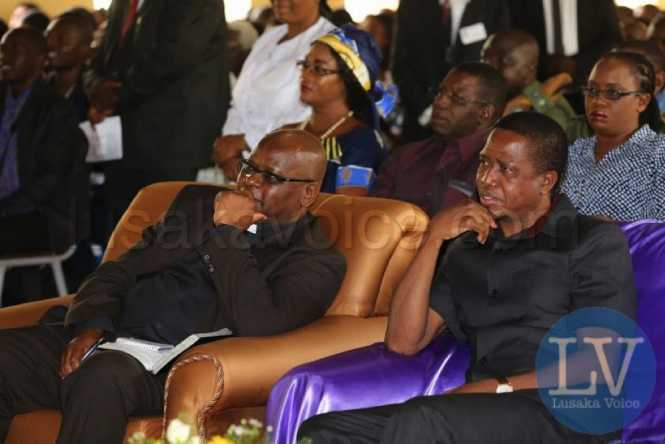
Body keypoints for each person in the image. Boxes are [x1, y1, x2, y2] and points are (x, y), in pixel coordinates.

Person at [298, 112, 636, 444]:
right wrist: (433, 239)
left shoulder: (591, 240)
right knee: (323, 430)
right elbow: (403, 341)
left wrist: (497, 386)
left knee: (423, 421)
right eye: (485, 163)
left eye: (506, 169)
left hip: (565, 411)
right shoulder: (469, 248)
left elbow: (600, 362)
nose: (487, 178)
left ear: (545, 182)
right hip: (481, 409)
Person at [0, 129, 346, 444]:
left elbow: (260, 323)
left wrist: (227, 234)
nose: (249, 182)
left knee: (101, 378)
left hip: (164, 367)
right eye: (248, 168)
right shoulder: (196, 205)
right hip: (107, 332)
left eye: (269, 177)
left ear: (308, 193)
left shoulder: (315, 260)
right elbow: (118, 270)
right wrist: (90, 326)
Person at [87, 0, 230, 237]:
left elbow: (175, 56)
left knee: (165, 234)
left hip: (172, 137)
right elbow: (103, 56)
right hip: (124, 131)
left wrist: (114, 94)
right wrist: (95, 87)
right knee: (123, 231)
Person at [0, 28, 88, 301]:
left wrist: (5, 208)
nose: (6, 57)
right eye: (3, 50)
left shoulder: (55, 109)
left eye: (16, 52)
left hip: (41, 219)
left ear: (40, 61)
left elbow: (50, 180)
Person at [213, 0, 337, 180]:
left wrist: (245, 141)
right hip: (237, 165)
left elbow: (311, 116)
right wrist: (229, 152)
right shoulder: (269, 37)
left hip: (282, 170)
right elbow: (240, 101)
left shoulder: (329, 42)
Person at [370, 62, 506, 217]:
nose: (440, 102)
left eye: (457, 98)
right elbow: (372, 216)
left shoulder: (498, 170)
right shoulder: (406, 156)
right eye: (440, 93)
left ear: (484, 113)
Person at [562, 52, 665, 221]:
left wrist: (616, 230)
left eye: (613, 93)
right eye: (592, 90)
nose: (598, 101)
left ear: (642, 102)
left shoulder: (658, 154)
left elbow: (659, 235)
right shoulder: (572, 152)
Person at [392, 0, 510, 143]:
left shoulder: (492, 5)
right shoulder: (412, 5)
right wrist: (426, 110)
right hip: (419, 121)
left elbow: (500, 62)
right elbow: (400, 65)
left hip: (472, 125)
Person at [292, 25, 391, 196]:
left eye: (319, 69)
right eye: (305, 65)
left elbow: (346, 209)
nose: (305, 75)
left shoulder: (361, 142)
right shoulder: (287, 132)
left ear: (349, 80)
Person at [481, 30, 577, 137]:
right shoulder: (487, 98)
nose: (490, 68)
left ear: (530, 69)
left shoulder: (549, 113)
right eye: (484, 59)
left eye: (504, 61)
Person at [509, 0, 621, 83]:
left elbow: (612, 37)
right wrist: (543, 62)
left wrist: (577, 64)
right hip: (536, 83)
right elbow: (512, 36)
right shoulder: (516, 3)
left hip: (586, 81)